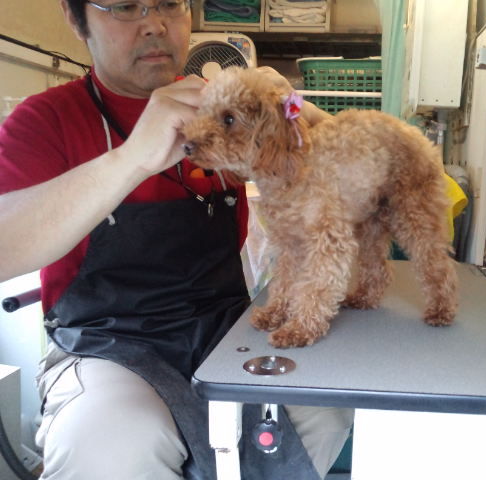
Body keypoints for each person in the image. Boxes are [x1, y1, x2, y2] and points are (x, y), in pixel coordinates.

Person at [0, 0, 353, 479]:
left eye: (170, 3)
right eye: (125, 6)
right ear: (76, 18)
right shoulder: (47, 121)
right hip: (103, 342)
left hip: (226, 331)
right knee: (113, 445)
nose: (154, 24)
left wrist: (297, 109)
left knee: (323, 406)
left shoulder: (227, 107)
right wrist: (132, 159)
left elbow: (346, 170)